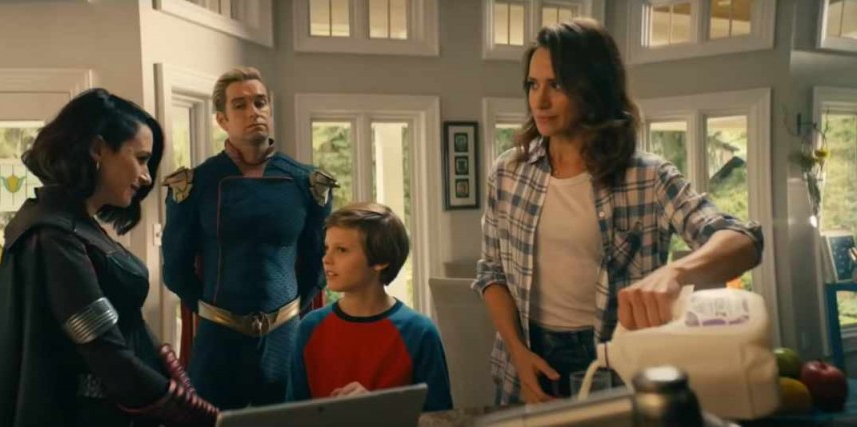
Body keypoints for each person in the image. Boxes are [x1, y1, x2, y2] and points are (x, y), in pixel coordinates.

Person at [473, 18, 764, 405]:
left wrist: (675, 273)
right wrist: (517, 353)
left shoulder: (648, 176)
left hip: (620, 358)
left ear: (592, 89)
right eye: (533, 85)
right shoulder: (508, 172)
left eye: (556, 85)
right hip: (527, 356)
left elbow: (744, 240)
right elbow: (492, 272)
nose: (539, 102)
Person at [0, 88, 218, 426]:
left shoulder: (72, 226)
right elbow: (106, 353)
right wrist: (198, 414)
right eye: (141, 158)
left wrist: (178, 380)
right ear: (97, 149)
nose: (147, 177)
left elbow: (128, 323)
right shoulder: (56, 235)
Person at [162, 67, 335, 409]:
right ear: (222, 120)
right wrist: (214, 311)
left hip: (285, 335)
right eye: (240, 105)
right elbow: (176, 270)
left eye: (260, 102)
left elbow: (318, 265)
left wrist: (286, 309)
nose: (253, 112)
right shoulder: (195, 184)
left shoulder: (307, 183)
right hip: (217, 340)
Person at [286, 202, 453, 412]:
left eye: (341, 250)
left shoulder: (420, 332)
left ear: (380, 260)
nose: (326, 259)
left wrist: (376, 410)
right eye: (327, 248)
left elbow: (439, 419)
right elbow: (293, 416)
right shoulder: (309, 328)